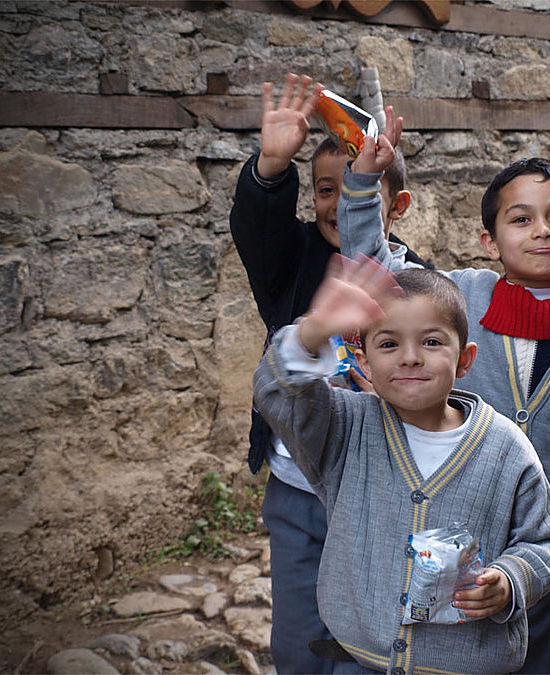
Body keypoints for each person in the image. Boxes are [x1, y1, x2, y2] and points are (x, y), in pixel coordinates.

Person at [339, 145, 550, 674]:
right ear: (489, 243)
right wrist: (362, 184)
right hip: (468, 547)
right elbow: (374, 270)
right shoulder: (461, 300)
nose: (542, 230)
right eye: (521, 219)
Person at [253, 255, 550, 674]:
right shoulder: (343, 430)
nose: (410, 358)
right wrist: (314, 330)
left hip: (465, 666)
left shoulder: (506, 449)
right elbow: (276, 394)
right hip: (361, 661)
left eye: (432, 342)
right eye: (388, 344)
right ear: (363, 361)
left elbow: (547, 540)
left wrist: (510, 581)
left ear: (465, 359)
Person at [229, 73, 429, 673]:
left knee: (375, 626)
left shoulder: (416, 281)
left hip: (379, 486)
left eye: (357, 191)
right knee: (298, 639)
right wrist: (269, 167)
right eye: (324, 190)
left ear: (397, 204)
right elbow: (256, 228)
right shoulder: (288, 262)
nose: (338, 205)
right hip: (297, 488)